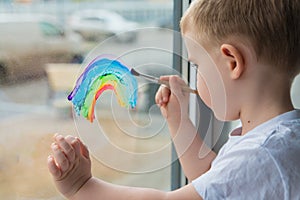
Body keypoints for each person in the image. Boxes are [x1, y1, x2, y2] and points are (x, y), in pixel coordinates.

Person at [47, 0, 300, 199]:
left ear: (232, 62)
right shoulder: (279, 139)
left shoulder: (262, 154)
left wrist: (81, 187)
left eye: (198, 65)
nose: (195, 76)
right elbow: (211, 180)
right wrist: (178, 119)